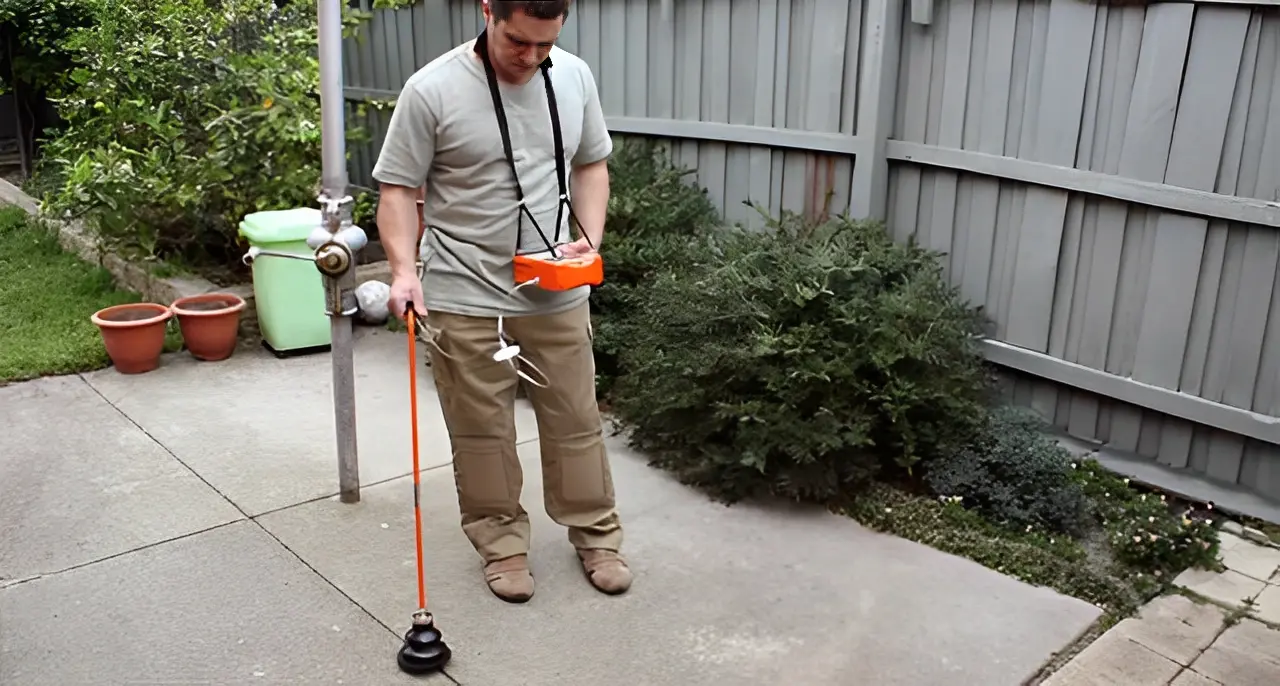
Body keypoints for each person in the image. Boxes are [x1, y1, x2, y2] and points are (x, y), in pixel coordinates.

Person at [371, 0, 630, 604]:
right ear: (488, 10)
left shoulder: (573, 75)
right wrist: (405, 271)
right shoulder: (430, 89)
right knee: (481, 430)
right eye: (518, 42)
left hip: (553, 287)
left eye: (545, 44)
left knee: (576, 420)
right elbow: (398, 189)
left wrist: (589, 239)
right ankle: (502, 544)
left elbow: (592, 164)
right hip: (463, 291)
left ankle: (596, 533)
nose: (532, 57)